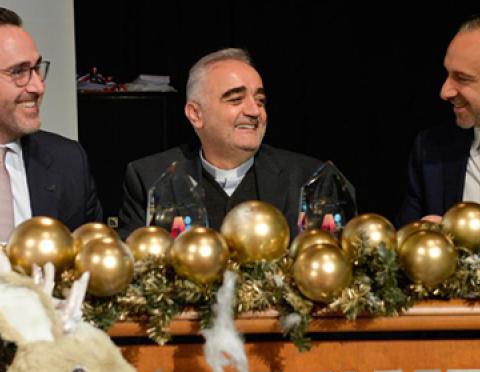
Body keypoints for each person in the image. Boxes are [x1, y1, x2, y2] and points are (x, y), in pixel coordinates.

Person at [118, 48, 323, 238]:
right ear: (196, 114)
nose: (254, 111)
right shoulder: (149, 179)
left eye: (260, 101)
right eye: (235, 99)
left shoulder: (308, 180)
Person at [0, 7, 102, 242]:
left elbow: (91, 255)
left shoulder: (69, 162)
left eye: (36, 69)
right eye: (19, 72)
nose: (38, 87)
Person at [397, 15, 480, 227]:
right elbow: (404, 237)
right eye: (447, 74)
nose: (445, 92)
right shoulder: (431, 149)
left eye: (462, 78)